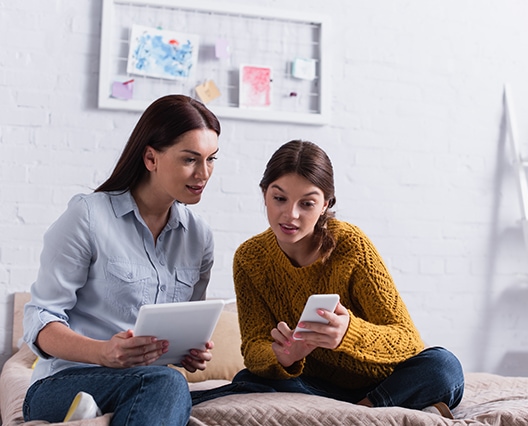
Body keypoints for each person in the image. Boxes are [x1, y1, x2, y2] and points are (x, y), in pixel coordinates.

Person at [192, 140, 464, 417]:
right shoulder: (250, 258)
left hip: (383, 381)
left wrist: (348, 333)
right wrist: (283, 357)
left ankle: (364, 410)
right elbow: (254, 347)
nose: (291, 215)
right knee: (250, 378)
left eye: (307, 203)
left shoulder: (351, 246)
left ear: (325, 204)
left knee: (444, 367)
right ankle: (374, 411)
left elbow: (407, 341)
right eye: (279, 198)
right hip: (314, 385)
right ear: (265, 195)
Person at [22, 94, 221, 425]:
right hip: (63, 383)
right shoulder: (88, 215)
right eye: (190, 159)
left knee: (171, 383)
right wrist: (103, 353)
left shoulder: (199, 237)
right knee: (169, 384)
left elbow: (184, 326)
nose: (203, 173)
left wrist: (191, 352)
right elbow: (39, 319)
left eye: (212, 159)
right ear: (150, 158)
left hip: (146, 384)